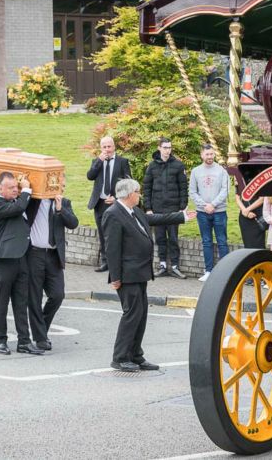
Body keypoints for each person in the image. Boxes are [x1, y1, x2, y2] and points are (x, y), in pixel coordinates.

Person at [104, 178, 194, 372]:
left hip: (140, 273)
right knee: (132, 314)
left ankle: (136, 355)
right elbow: (111, 249)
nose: (140, 195)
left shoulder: (134, 211)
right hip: (127, 275)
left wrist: (182, 216)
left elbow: (156, 219)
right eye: (137, 192)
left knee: (141, 314)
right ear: (129, 194)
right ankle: (120, 357)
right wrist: (116, 277)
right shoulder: (113, 214)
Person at [0, 171, 43, 356]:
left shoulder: (17, 202)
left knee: (21, 302)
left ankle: (24, 342)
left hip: (21, 258)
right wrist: (26, 190)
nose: (15, 190)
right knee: (2, 302)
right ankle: (1, 341)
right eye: (11, 188)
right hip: (4, 260)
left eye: (16, 187)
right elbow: (18, 209)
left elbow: (27, 207)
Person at [26, 175, 78, 351]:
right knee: (34, 298)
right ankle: (40, 337)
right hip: (33, 254)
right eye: (59, 186)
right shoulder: (34, 202)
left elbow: (73, 223)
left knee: (57, 295)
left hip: (53, 256)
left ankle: (41, 328)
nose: (62, 189)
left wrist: (60, 209)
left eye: (63, 186)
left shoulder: (65, 203)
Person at [142, 137, 188, 279]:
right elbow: (147, 188)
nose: (168, 150)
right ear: (159, 148)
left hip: (174, 210)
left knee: (173, 238)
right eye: (165, 147)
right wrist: (148, 208)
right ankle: (162, 265)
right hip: (157, 210)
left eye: (169, 147)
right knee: (160, 238)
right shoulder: (152, 166)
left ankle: (174, 266)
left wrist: (182, 207)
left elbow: (183, 188)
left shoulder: (178, 165)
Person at [86, 135, 130, 272]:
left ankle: (117, 263)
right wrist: (99, 161)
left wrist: (117, 198)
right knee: (102, 232)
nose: (107, 150)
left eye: (109, 146)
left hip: (115, 204)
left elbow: (128, 183)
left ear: (114, 146)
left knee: (115, 233)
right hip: (99, 203)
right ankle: (105, 262)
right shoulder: (97, 161)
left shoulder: (122, 162)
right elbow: (90, 176)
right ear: (100, 148)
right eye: (104, 147)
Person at [189, 143, 229, 282]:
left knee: (222, 241)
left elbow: (225, 191)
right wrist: (204, 205)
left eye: (212, 154)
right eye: (207, 154)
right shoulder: (196, 171)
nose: (210, 156)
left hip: (219, 212)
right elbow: (192, 192)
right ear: (202, 155)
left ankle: (225, 273)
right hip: (202, 212)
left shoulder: (222, 171)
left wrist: (213, 204)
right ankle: (208, 271)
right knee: (206, 241)